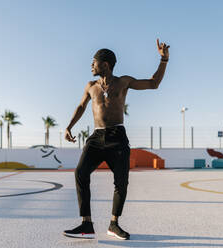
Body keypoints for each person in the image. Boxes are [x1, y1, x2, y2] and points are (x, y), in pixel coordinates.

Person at [63, 39, 170, 240]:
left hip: (117, 137)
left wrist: (163, 60)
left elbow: (153, 84)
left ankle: (114, 224)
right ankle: (86, 224)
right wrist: (69, 126)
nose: (91, 66)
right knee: (80, 173)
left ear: (105, 64)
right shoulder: (90, 86)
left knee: (121, 181)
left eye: (93, 62)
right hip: (96, 137)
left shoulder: (123, 82)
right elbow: (81, 107)